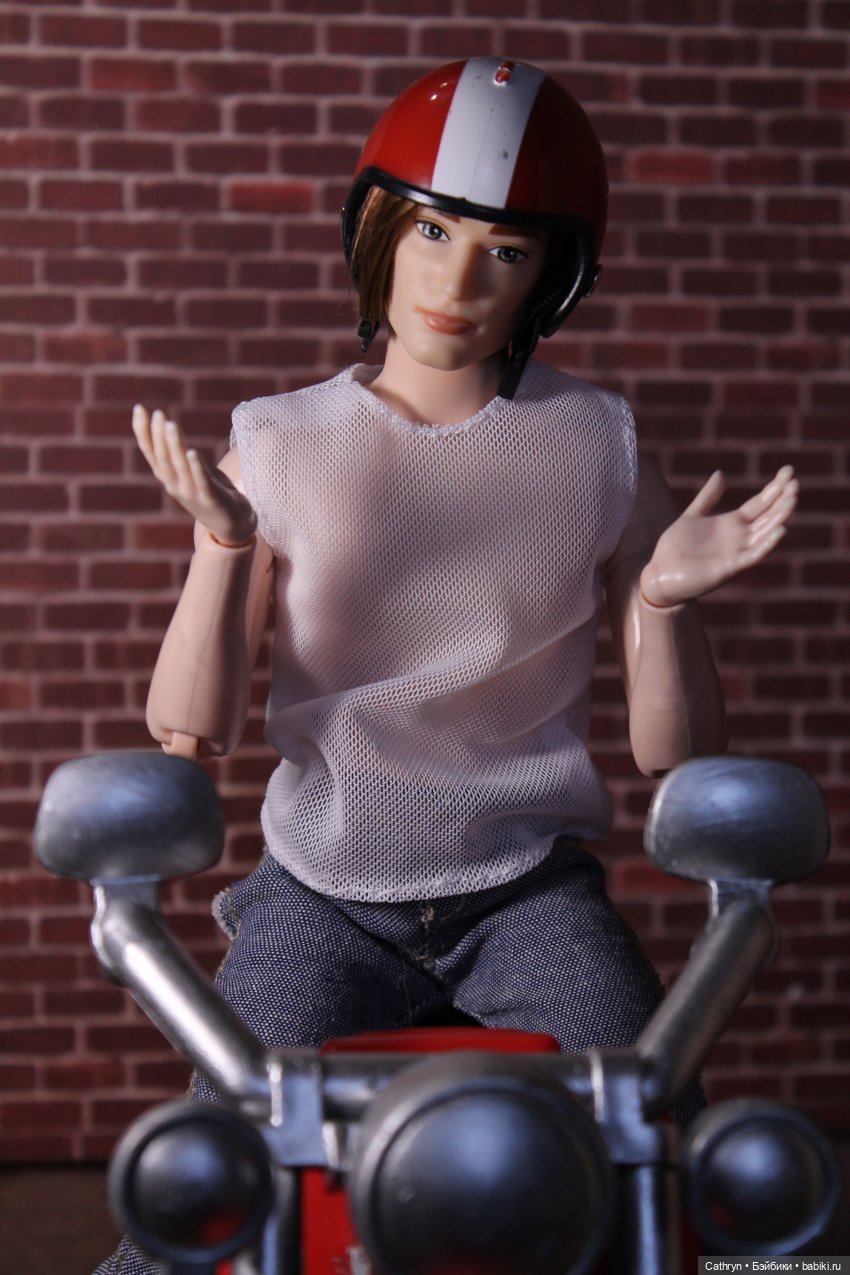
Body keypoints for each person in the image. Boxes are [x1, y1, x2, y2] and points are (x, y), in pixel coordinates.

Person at [98, 58, 797, 1273]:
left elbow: (672, 759)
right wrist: (223, 545)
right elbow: (189, 733)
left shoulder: (597, 445)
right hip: (321, 890)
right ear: (377, 232)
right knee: (209, 1180)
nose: (458, 280)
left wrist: (660, 598)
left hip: (522, 889)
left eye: (505, 250)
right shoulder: (281, 438)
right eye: (431, 231)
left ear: (550, 277)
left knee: (656, 1132)